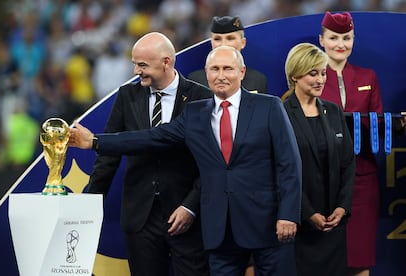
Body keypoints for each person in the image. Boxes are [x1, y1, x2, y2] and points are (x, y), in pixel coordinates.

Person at [69, 45, 302, 276]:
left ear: (242, 72)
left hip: (267, 224)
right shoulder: (195, 113)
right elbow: (151, 137)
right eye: (214, 69)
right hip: (219, 231)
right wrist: (95, 142)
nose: (221, 76)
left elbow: (289, 165)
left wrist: (288, 214)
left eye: (228, 69)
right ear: (206, 73)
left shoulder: (269, 107)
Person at [86, 32, 212, 276]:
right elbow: (109, 156)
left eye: (142, 65)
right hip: (140, 218)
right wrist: (88, 205)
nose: (135, 71)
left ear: (166, 62)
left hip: (187, 217)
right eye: (134, 63)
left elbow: (210, 163)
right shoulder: (127, 96)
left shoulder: (201, 98)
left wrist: (190, 206)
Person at [318, 11, 406, 276]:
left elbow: (378, 125)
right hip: (322, 180)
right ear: (321, 40)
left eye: (346, 37)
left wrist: (398, 124)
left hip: (362, 179)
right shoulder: (313, 77)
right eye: (333, 37)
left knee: (360, 258)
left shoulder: (368, 77)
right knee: (323, 260)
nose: (340, 44)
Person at [283, 42, 355, 276]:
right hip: (299, 224)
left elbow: (347, 163)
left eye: (323, 73)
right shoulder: (280, 113)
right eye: (313, 73)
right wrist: (306, 212)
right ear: (295, 75)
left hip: (333, 223)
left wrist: (343, 207)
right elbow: (281, 170)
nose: (320, 80)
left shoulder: (333, 112)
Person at [188, 16, 268, 93]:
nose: (223, 44)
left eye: (230, 38)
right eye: (217, 39)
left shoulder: (257, 80)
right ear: (211, 43)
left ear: (243, 43)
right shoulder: (195, 82)